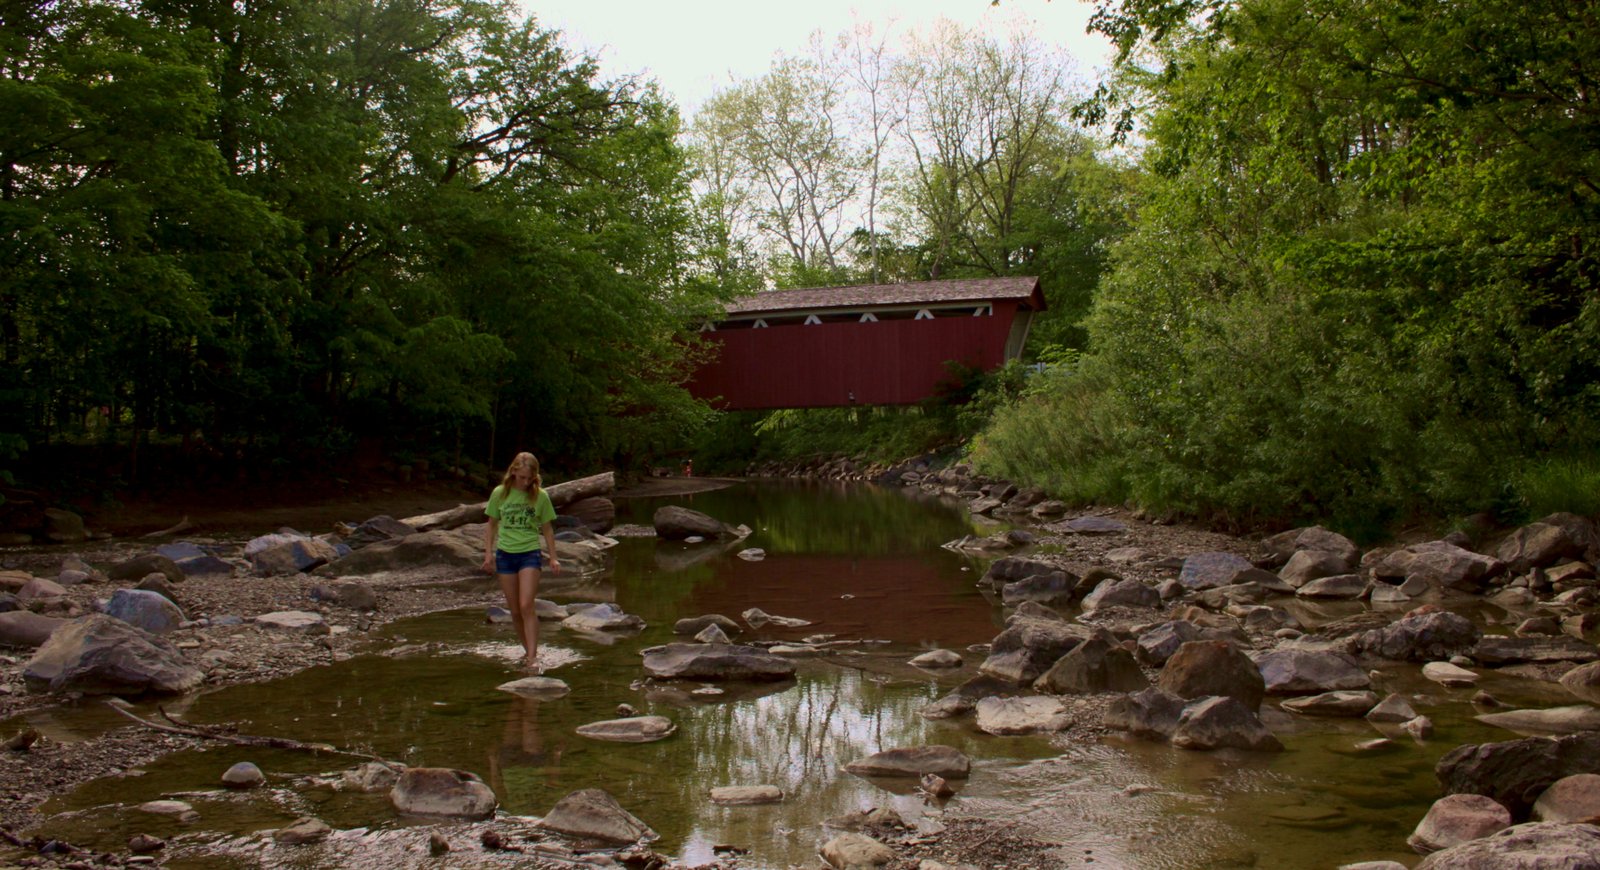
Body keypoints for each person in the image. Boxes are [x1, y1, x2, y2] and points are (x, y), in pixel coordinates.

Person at [482, 452, 560, 671]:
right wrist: (488, 554)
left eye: (530, 478)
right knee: (515, 611)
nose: (526, 482)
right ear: (514, 471)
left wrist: (553, 557)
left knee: (527, 605)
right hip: (505, 555)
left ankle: (532, 658)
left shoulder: (540, 496)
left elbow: (547, 528)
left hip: (529, 554)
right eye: (522, 477)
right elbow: (491, 524)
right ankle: (528, 651)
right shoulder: (500, 493)